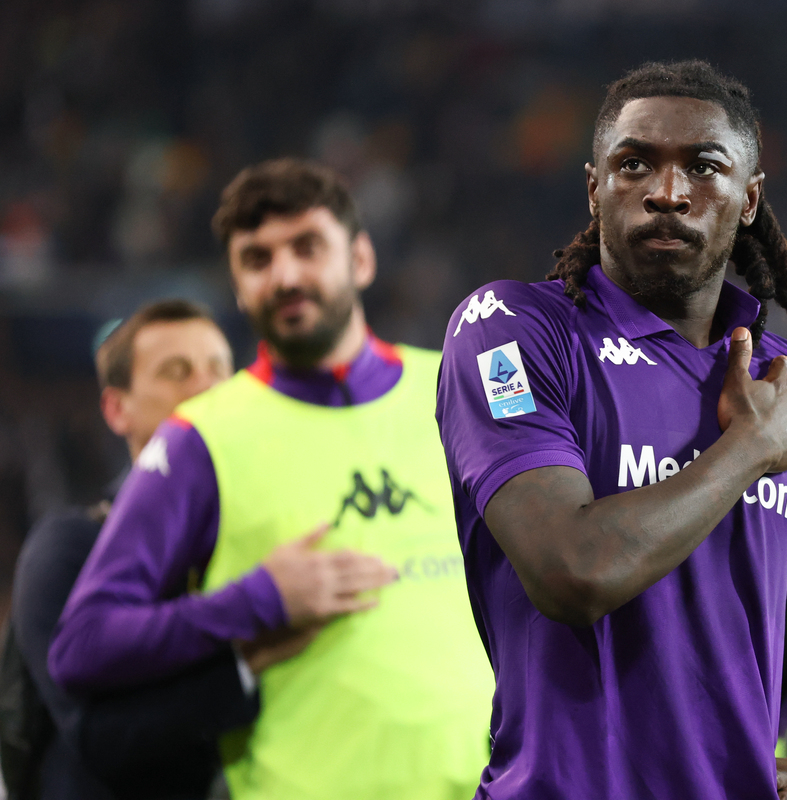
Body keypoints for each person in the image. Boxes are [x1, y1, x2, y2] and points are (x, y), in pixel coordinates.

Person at [436, 60, 787, 800]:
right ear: (594, 187)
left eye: (704, 167)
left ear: (748, 200)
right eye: (634, 163)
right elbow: (571, 572)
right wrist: (745, 452)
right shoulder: (514, 332)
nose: (667, 193)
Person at [50, 159, 495, 799]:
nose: (284, 275)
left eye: (307, 247)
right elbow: (83, 645)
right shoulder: (201, 437)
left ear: (361, 259)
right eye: (257, 259)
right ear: (236, 286)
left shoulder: (454, 389)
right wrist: (254, 600)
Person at [8, 299, 261, 799]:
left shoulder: (256, 538)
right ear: (115, 408)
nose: (207, 387)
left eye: (219, 369)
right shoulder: (69, 547)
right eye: (176, 371)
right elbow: (98, 739)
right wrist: (247, 671)